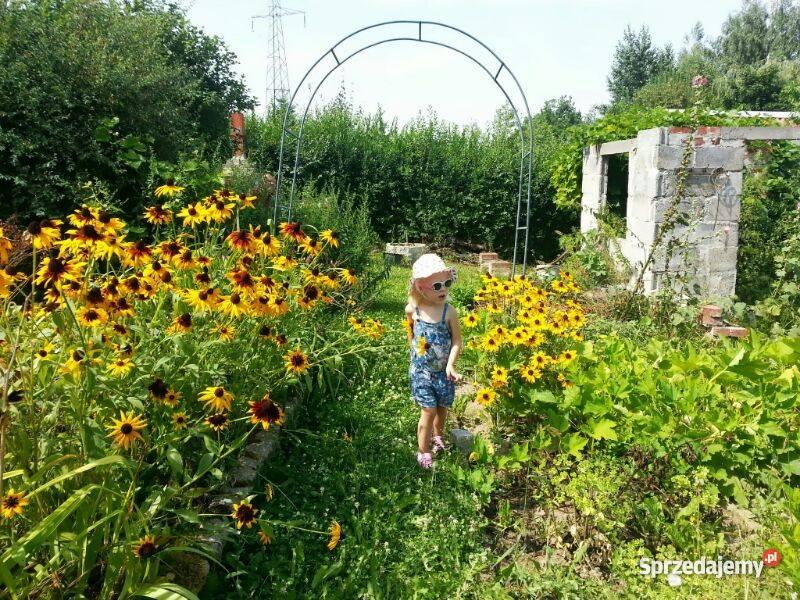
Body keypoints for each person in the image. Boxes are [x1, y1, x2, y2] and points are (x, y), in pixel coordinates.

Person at [405, 253, 463, 469]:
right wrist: (414, 349)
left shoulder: (449, 312)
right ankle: (423, 451)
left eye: (447, 283)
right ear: (421, 288)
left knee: (442, 407)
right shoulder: (413, 310)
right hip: (421, 372)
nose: (443, 290)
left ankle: (438, 437)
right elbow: (410, 328)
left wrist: (450, 365)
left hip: (443, 372)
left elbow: (457, 340)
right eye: (437, 285)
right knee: (428, 409)